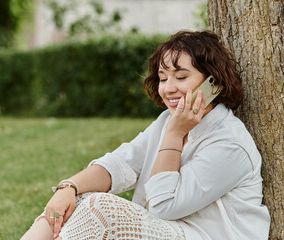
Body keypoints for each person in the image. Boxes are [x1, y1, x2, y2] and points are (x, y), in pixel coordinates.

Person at [21, 30, 270, 240]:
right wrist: (69, 187)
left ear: (213, 82)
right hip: (170, 230)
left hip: (204, 236)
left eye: (181, 77)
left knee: (100, 208)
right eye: (163, 78)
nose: (168, 88)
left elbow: (163, 206)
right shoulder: (167, 122)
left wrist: (174, 135)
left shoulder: (229, 143)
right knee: (78, 198)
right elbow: (121, 164)